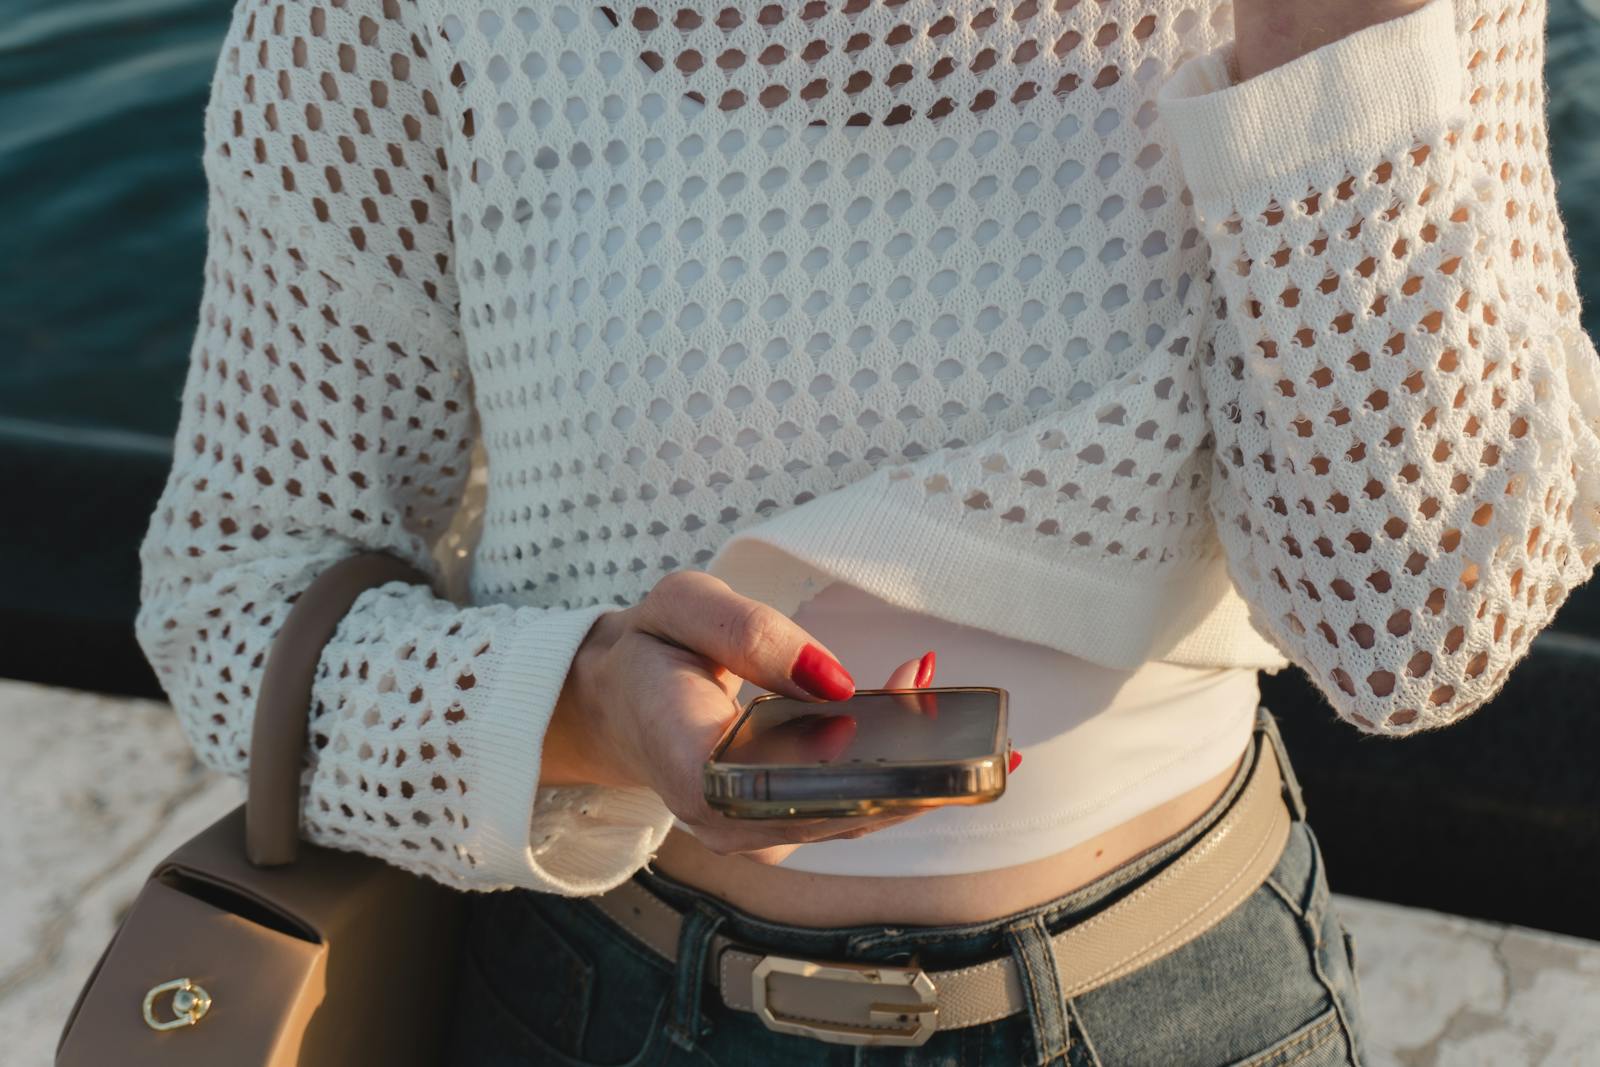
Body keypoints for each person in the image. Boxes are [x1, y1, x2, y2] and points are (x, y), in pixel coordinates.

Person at [135, 0, 1600, 1062]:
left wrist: (1327, 52)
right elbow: (234, 596)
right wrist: (585, 709)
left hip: (1187, 1006)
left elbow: (1416, 631)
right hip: (600, 1003)